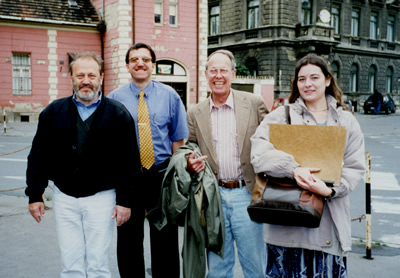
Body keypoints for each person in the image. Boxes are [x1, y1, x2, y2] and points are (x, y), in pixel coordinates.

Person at [26, 52, 140, 278]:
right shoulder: (53, 112)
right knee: (70, 264)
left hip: (102, 199)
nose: (85, 80)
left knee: (98, 264)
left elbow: (130, 162)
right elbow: (38, 155)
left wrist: (125, 201)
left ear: (101, 78)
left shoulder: (118, 114)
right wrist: (35, 195)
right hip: (64, 198)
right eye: (80, 75)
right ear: (71, 77)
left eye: (91, 75)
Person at [251, 53, 366, 277]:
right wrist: (292, 169)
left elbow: (354, 166)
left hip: (327, 228)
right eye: (302, 79)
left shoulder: (345, 121)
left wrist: (330, 190)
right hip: (285, 225)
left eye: (314, 77)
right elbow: (258, 153)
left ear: (327, 80)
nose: (308, 84)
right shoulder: (280, 116)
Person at [107, 42, 188, 278]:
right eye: (134, 60)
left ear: (153, 65)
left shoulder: (170, 96)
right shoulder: (114, 99)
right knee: (129, 240)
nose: (140, 63)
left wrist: (174, 179)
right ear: (127, 66)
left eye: (145, 59)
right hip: (129, 178)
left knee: (165, 239)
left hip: (161, 176)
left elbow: (177, 140)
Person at [186, 49, 268, 278]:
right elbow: (190, 146)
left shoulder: (253, 103)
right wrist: (189, 162)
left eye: (223, 70)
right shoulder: (195, 112)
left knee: (255, 266)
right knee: (219, 267)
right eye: (213, 70)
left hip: (247, 194)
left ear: (233, 73)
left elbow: (273, 141)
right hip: (214, 199)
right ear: (206, 74)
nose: (218, 75)